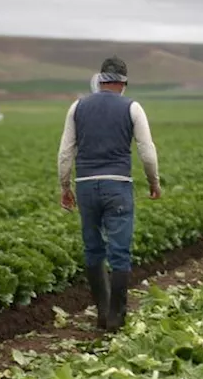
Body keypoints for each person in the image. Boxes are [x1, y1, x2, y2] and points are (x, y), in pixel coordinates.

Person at [58, 56, 161, 331]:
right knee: (120, 253)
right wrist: (154, 181)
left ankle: (102, 313)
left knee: (93, 249)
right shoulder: (133, 108)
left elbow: (66, 152)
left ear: (101, 78)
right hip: (118, 186)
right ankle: (117, 315)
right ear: (124, 82)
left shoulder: (78, 106)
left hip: (87, 185)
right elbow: (147, 152)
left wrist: (65, 186)